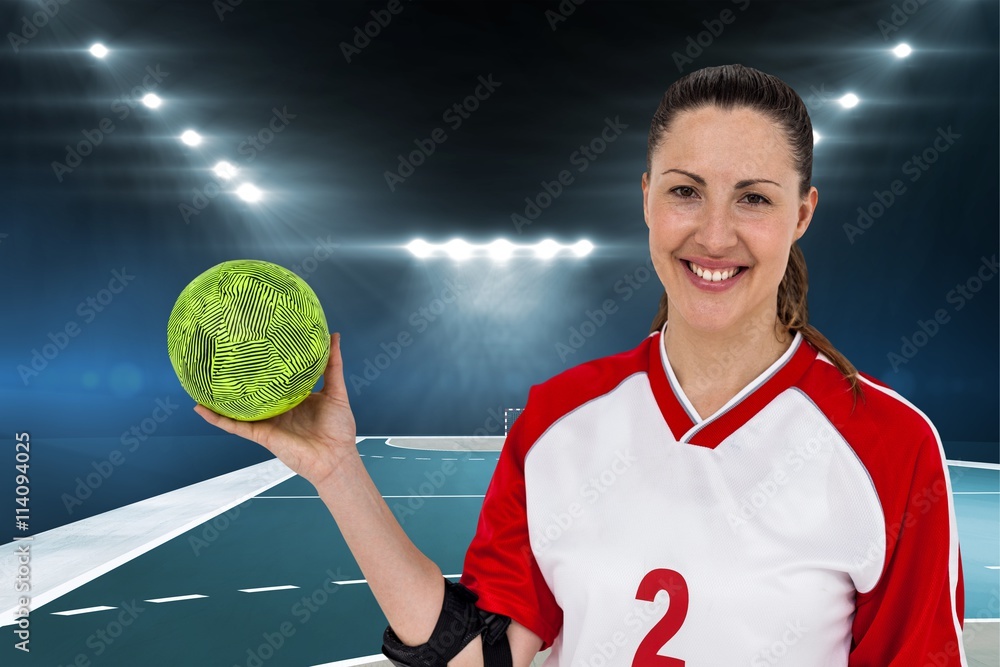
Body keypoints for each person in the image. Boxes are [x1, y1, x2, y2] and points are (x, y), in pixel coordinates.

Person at [194, 64, 967, 666]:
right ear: (645, 199)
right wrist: (338, 472)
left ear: (802, 214)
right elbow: (483, 656)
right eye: (686, 191)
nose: (715, 233)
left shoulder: (889, 444)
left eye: (755, 198)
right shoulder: (558, 421)